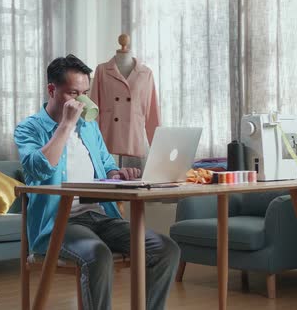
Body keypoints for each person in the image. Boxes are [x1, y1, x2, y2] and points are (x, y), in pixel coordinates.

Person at [14, 54, 180, 310]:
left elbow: (107, 164)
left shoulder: (89, 128)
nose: (81, 101)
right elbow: (37, 170)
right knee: (97, 254)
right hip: (58, 222)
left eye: (85, 93)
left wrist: (116, 175)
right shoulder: (29, 128)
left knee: (166, 249)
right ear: (52, 90)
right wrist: (65, 126)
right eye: (73, 93)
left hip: (99, 215)